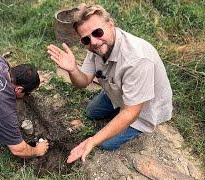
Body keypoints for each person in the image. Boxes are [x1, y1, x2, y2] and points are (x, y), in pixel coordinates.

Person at [47, 4, 172, 163]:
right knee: (91, 112)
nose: (94, 41)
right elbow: (83, 81)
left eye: (97, 32)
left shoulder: (137, 60)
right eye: (86, 39)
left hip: (142, 110)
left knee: (105, 144)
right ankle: (116, 109)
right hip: (117, 91)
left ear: (111, 24)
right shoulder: (95, 47)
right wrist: (72, 70)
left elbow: (131, 112)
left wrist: (93, 140)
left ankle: (134, 125)